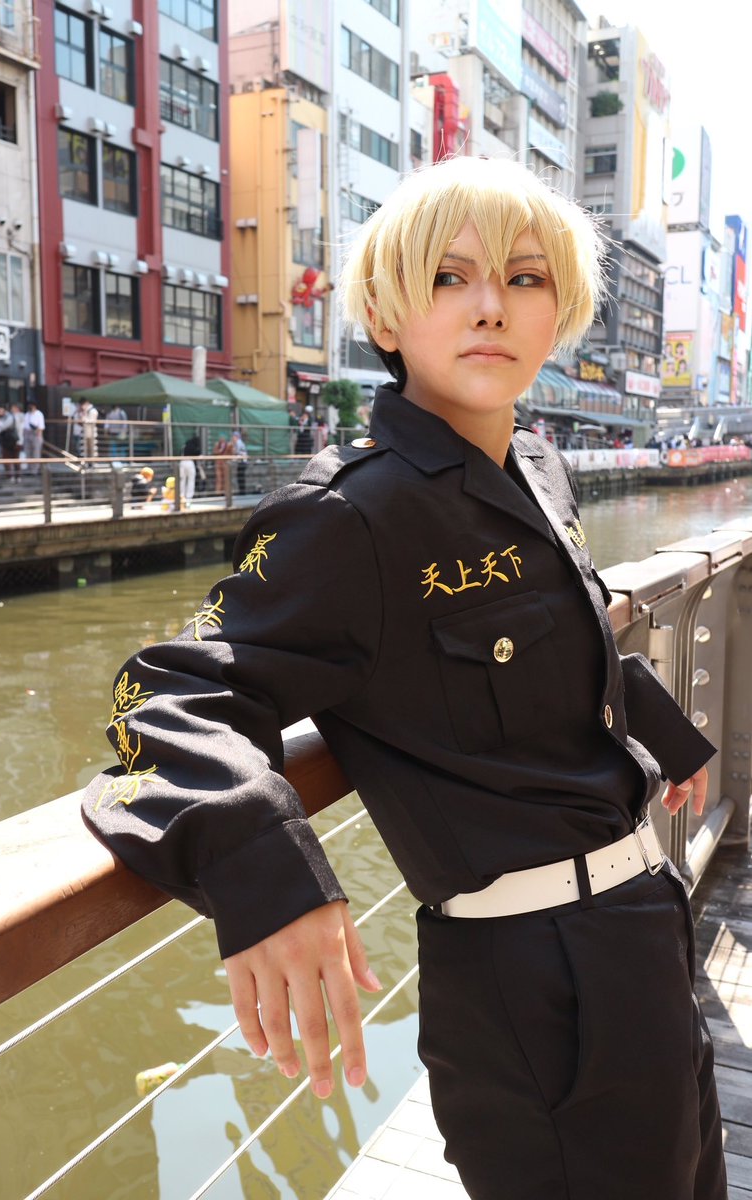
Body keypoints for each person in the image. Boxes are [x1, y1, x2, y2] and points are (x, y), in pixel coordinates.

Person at [81, 157, 726, 1200]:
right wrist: (266, 876)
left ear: (558, 313)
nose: (488, 306)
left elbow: (556, 627)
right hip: (536, 978)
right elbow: (165, 693)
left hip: (644, 920)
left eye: (523, 278)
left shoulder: (536, 466)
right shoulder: (350, 515)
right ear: (384, 315)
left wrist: (655, 724)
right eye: (445, 278)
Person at [22, 402, 45, 474]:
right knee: (28, 452)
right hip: (27, 433)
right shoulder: (27, 414)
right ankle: (29, 469)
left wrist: (39, 436)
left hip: (36, 433)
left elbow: (41, 427)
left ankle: (35, 470)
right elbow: (24, 426)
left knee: (36, 453)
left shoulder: (39, 414)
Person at [230, 429, 247, 495]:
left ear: (236, 437)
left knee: (241, 477)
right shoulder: (239, 442)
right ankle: (242, 491)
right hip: (242, 462)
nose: (232, 438)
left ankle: (242, 492)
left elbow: (236, 452)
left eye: (233, 436)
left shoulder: (238, 442)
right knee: (240, 477)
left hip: (242, 462)